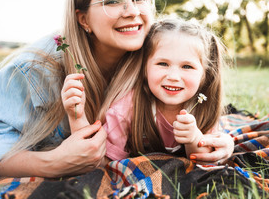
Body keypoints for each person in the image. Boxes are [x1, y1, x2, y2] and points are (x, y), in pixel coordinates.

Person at [0, 0, 155, 177]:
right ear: (83, 19)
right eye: (113, 1)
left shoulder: (162, 56)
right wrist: (53, 163)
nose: (133, 11)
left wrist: (204, 141)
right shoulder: (35, 68)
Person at [64, 18, 234, 164]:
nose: (174, 76)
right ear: (144, 67)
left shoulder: (203, 106)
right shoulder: (127, 107)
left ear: (205, 75)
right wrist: (76, 117)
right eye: (162, 64)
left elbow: (206, 161)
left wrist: (194, 139)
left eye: (187, 66)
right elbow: (102, 161)